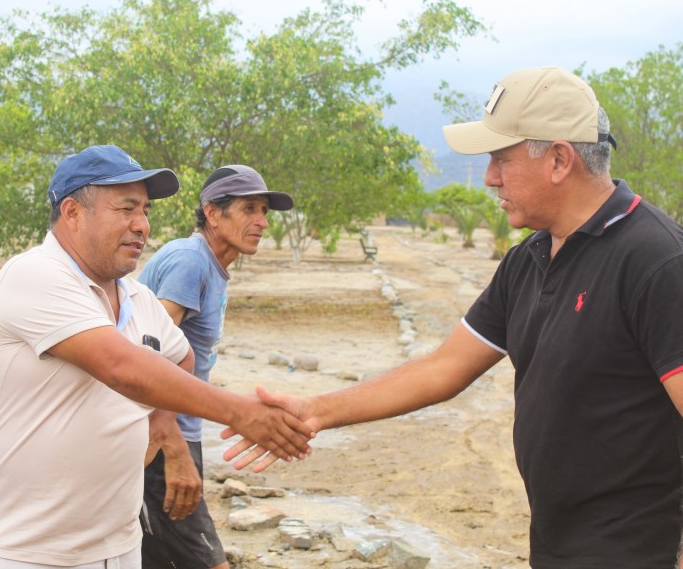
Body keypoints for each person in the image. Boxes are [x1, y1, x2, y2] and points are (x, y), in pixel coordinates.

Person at [227, 66, 683, 568]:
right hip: (557, 544)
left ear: (558, 159)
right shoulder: (528, 260)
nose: (489, 177)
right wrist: (316, 410)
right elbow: (443, 368)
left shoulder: (655, 262)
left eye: (501, 159)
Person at [0, 145, 312, 569]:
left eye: (144, 211)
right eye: (126, 209)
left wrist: (161, 425)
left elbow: (180, 357)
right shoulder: (32, 276)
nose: (141, 225)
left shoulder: (136, 297)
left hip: (116, 549)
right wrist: (240, 413)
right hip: (23, 551)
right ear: (72, 213)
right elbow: (121, 367)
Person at [137, 165, 294, 569]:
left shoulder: (209, 265)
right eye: (249, 209)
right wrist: (174, 451)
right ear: (212, 212)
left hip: (172, 432)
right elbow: (146, 363)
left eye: (264, 211)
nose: (261, 222)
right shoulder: (189, 261)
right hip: (160, 437)